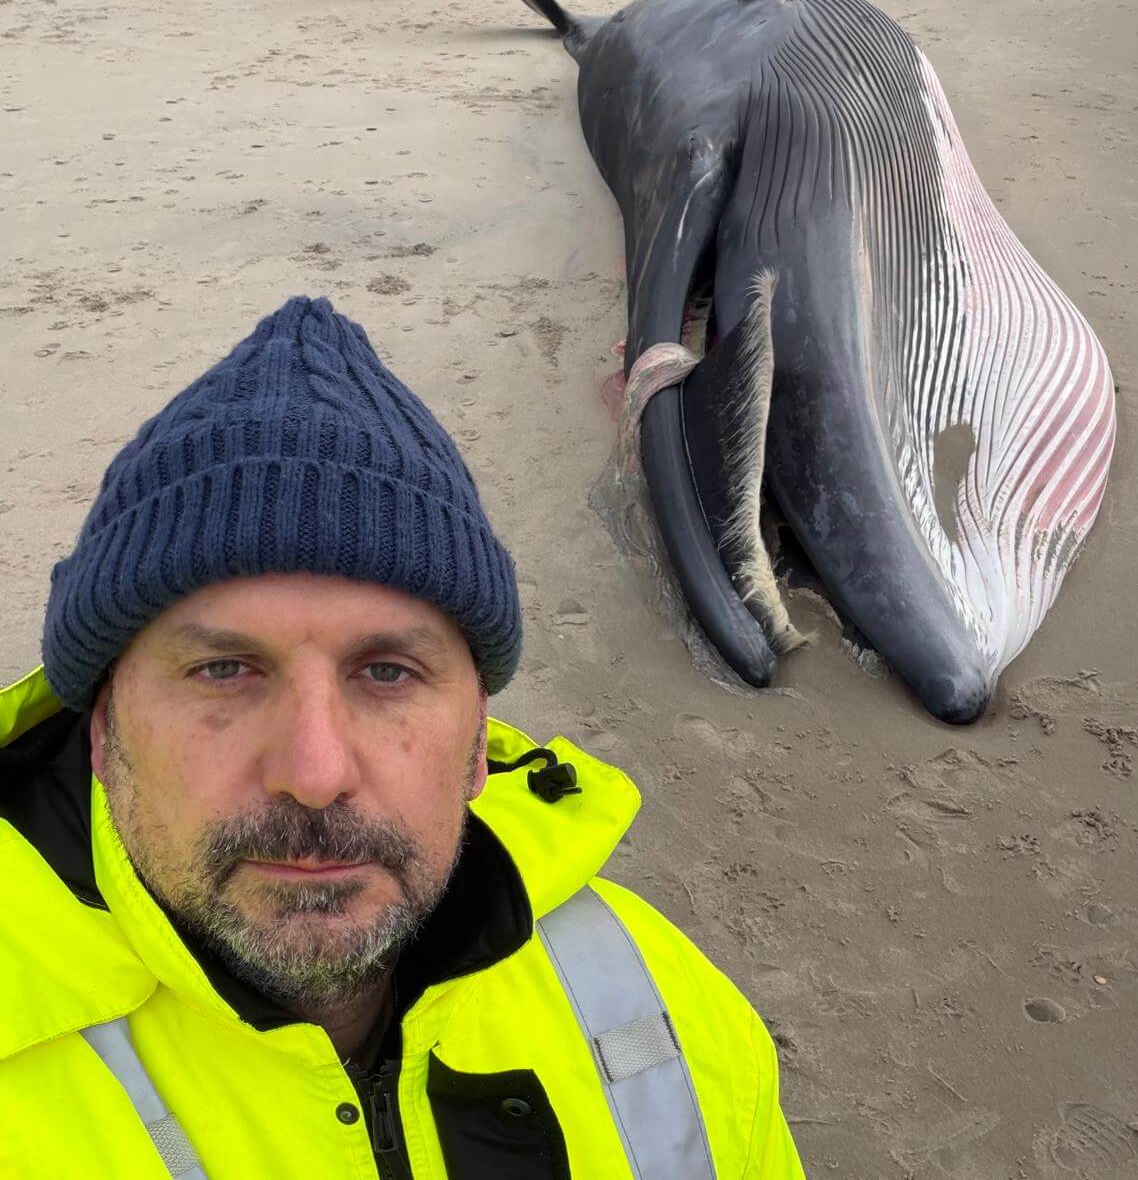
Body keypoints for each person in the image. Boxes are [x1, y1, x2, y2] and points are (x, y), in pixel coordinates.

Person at [0, 295, 805, 1178]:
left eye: (386, 672)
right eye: (224, 670)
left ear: (478, 741)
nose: (313, 772)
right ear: (103, 728)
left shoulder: (666, 1006)